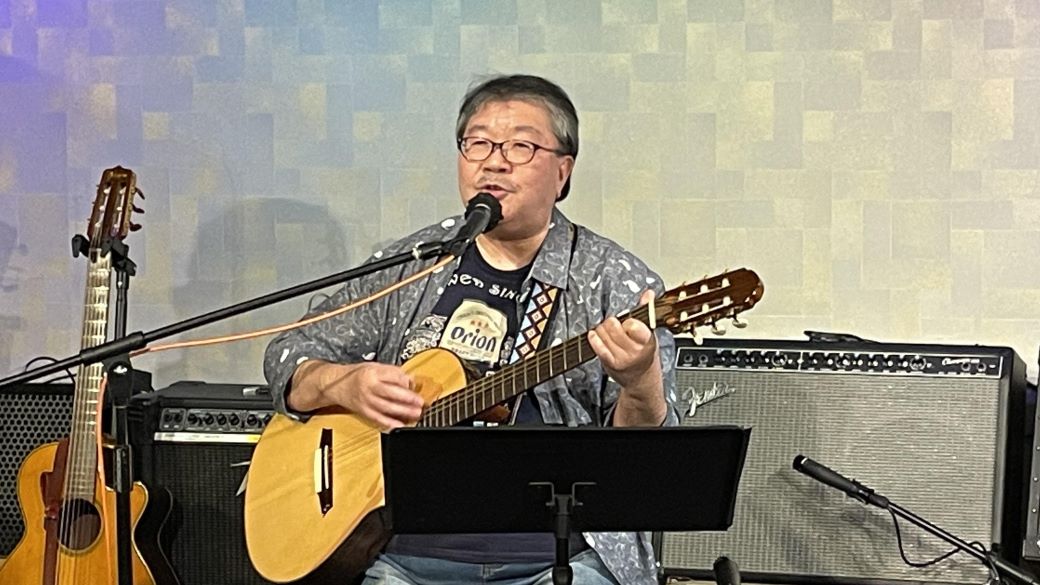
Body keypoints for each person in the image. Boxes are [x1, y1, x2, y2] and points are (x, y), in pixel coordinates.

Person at [263, 74, 680, 585]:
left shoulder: (614, 280)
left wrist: (640, 381)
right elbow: (289, 353)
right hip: (400, 557)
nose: (494, 161)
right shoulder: (412, 265)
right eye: (478, 143)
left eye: (521, 146)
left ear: (563, 171)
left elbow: (647, 464)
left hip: (557, 560)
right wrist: (340, 383)